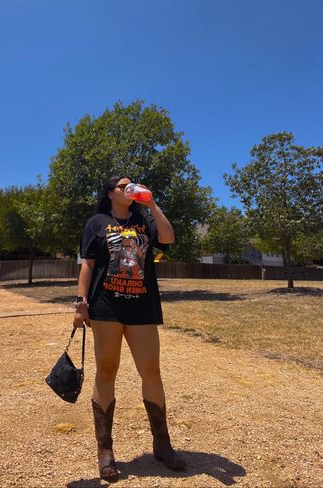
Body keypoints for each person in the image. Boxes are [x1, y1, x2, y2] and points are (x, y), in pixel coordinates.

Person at [74, 175, 187, 481]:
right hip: (106, 307)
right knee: (106, 370)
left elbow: (168, 237)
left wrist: (150, 203)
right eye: (123, 185)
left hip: (142, 307)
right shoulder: (96, 223)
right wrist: (81, 302)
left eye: (131, 184)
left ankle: (162, 445)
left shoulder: (143, 219)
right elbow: (88, 264)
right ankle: (105, 450)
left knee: (151, 370)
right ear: (111, 192)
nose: (130, 187)